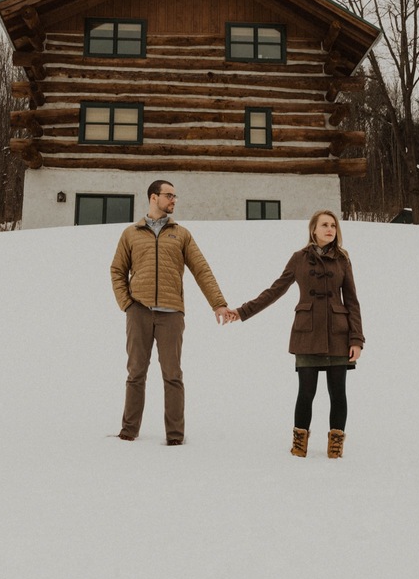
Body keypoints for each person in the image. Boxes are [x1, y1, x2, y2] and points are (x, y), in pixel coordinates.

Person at [224, 209, 364, 458]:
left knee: (338, 393)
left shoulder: (343, 259)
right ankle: (300, 442)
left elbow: (352, 301)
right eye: (324, 225)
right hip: (307, 333)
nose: (330, 229)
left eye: (333, 225)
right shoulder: (299, 258)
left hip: (338, 334)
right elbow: (275, 290)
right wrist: (242, 311)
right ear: (313, 229)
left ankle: (335, 444)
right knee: (306, 392)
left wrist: (356, 339)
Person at [110, 179, 229, 445]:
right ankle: (128, 431)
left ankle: (175, 436)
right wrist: (127, 304)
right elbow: (117, 270)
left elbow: (201, 269)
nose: (174, 200)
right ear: (154, 197)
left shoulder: (181, 234)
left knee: (172, 375)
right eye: (169, 195)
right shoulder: (131, 233)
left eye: (175, 196)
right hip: (138, 311)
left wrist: (218, 303)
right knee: (136, 373)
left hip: (171, 314)